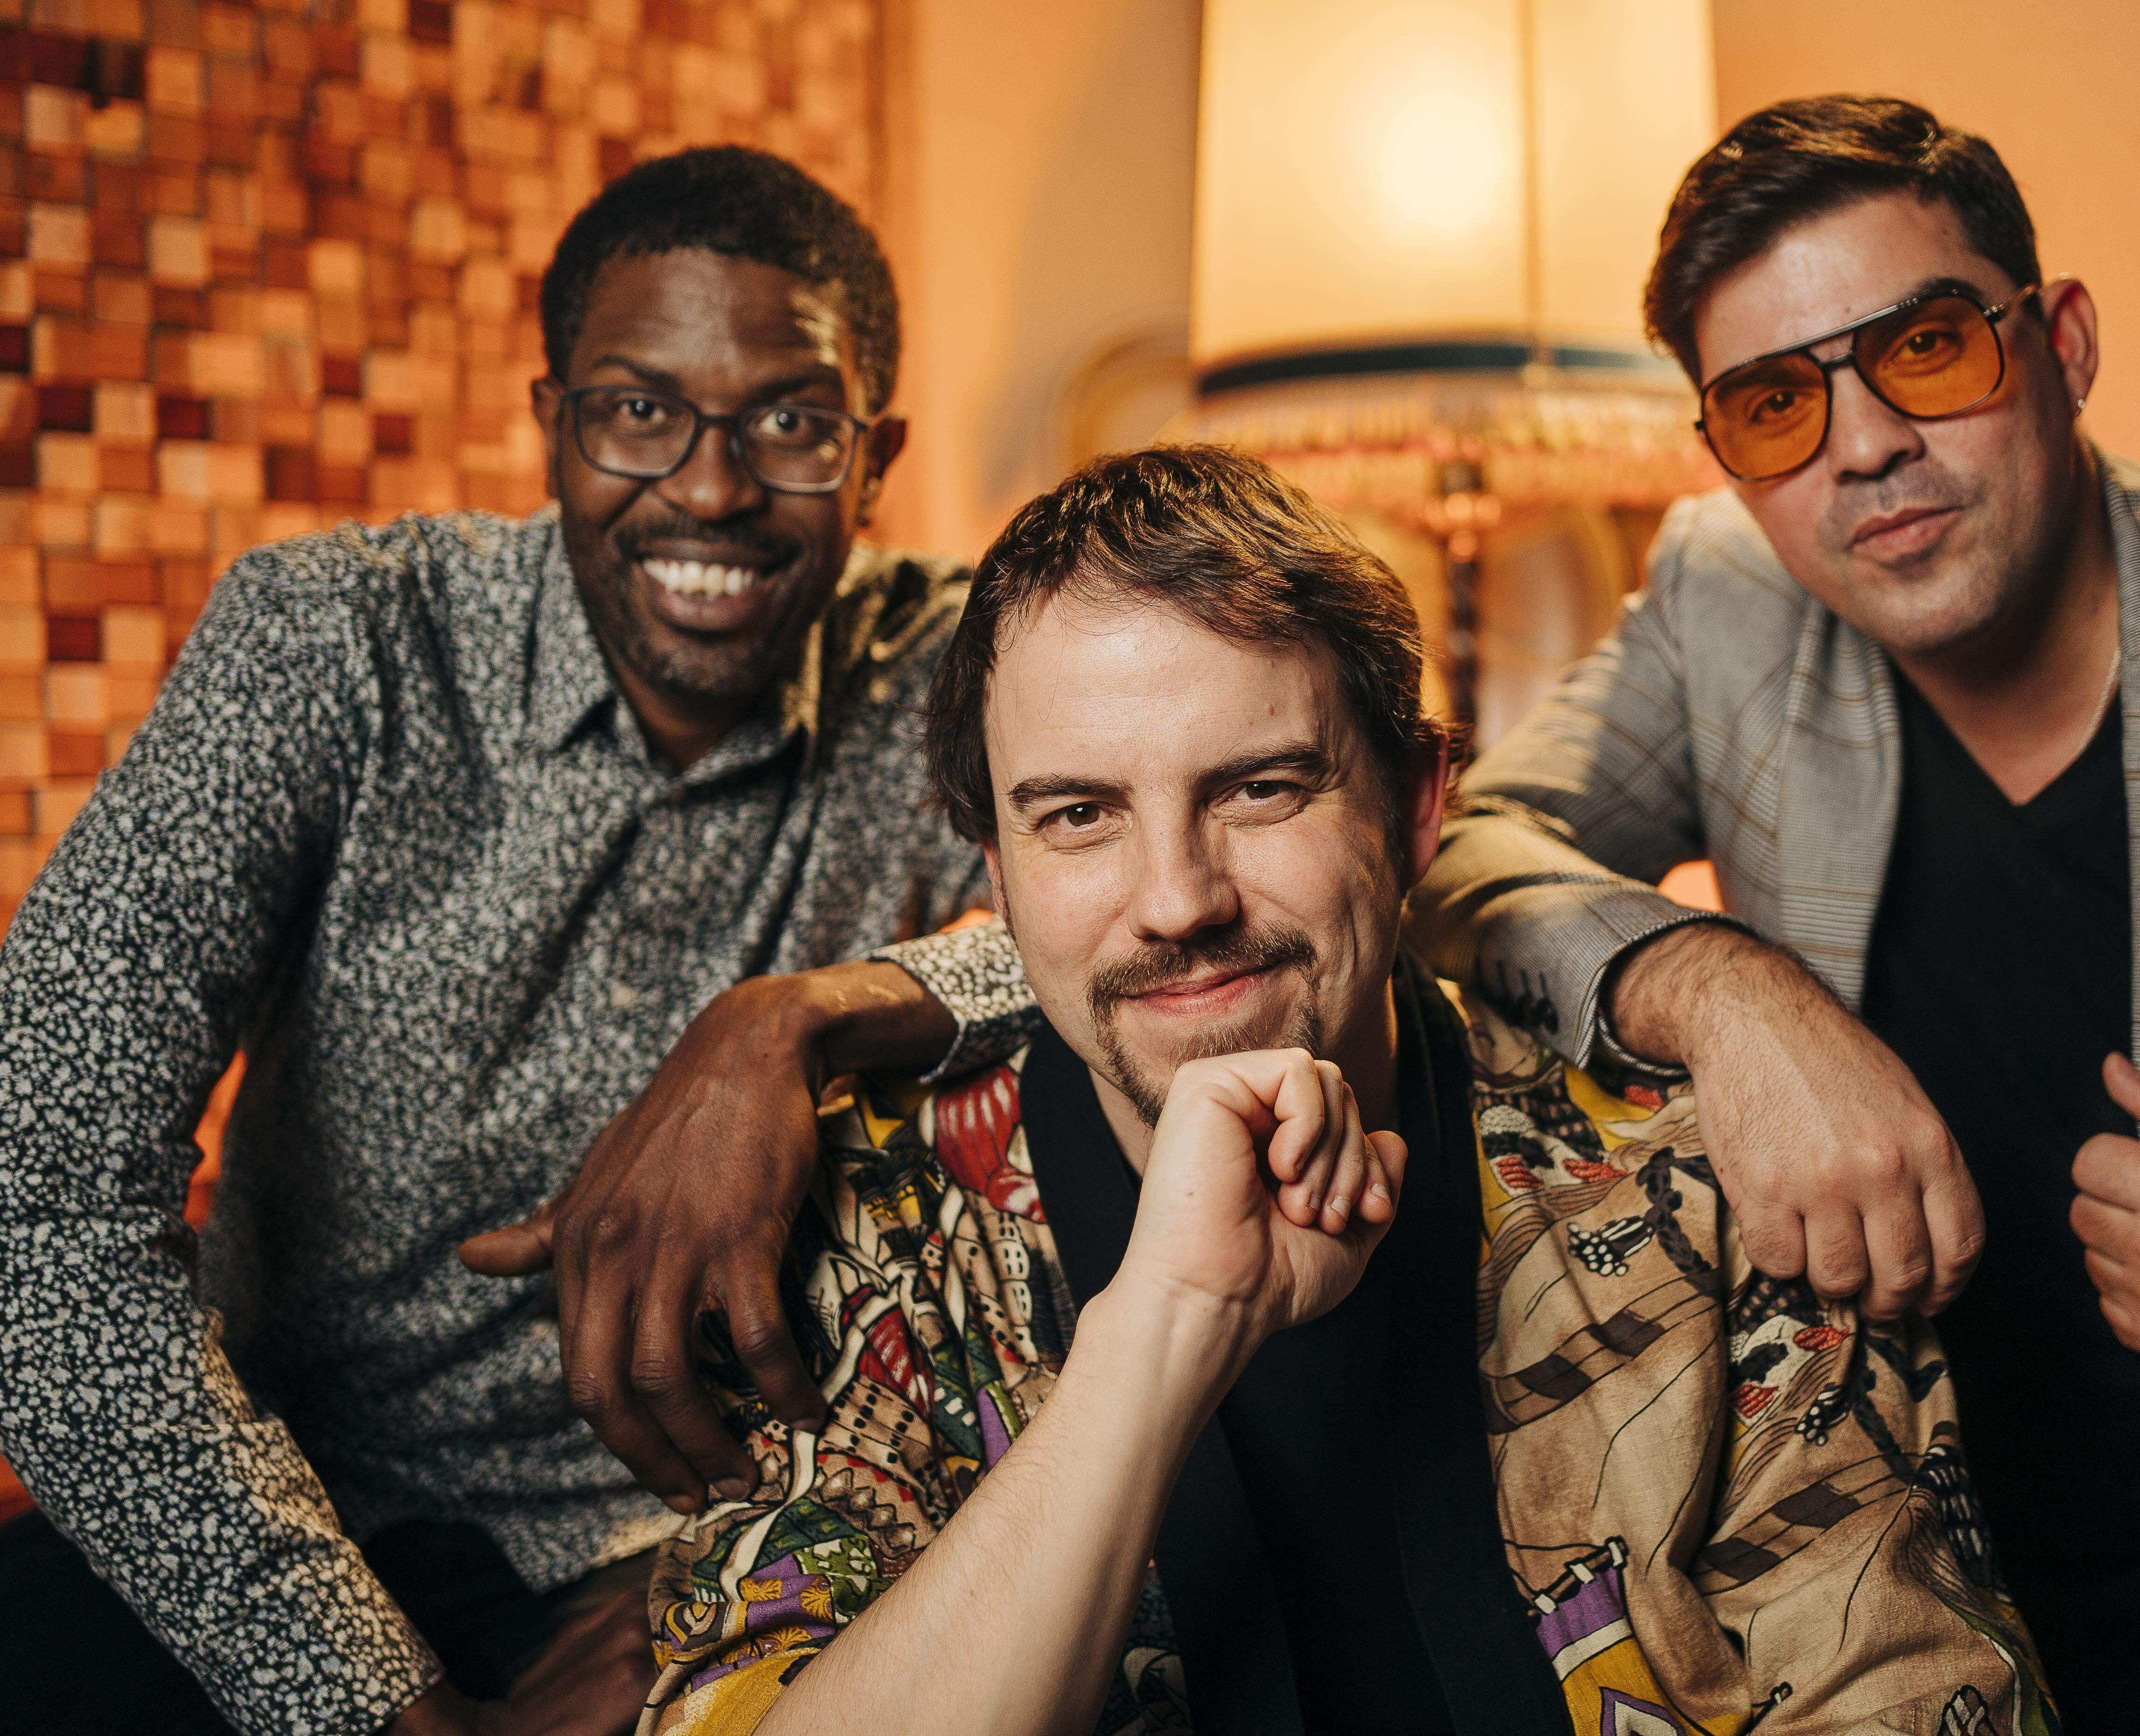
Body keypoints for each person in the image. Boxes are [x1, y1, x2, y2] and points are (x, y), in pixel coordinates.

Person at [1398, 96, 2140, 1730]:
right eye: (1774, 403)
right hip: (1907, 1586)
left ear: (2064, 343)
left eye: (1925, 347)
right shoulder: (1721, 599)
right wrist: (1723, 990)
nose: (1863, 446)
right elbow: (1460, 848)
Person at [630, 446, 2050, 1736]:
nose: (1177, 899)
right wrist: (1167, 1330)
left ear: (1418, 806)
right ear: (997, 874)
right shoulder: (864, 1237)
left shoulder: (1708, 1187)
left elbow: (1914, 1697)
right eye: (1080, 816)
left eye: (1259, 789)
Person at [0, 146, 995, 1736]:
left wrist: (805, 1013)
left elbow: (1182, 942)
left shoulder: (962, 673)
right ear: (552, 424)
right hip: (282, 1517)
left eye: (792, 423)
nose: (712, 489)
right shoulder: (330, 645)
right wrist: (366, 1699)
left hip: (728, 1540)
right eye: (638, 410)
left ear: (876, 457)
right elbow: (37, 1190)